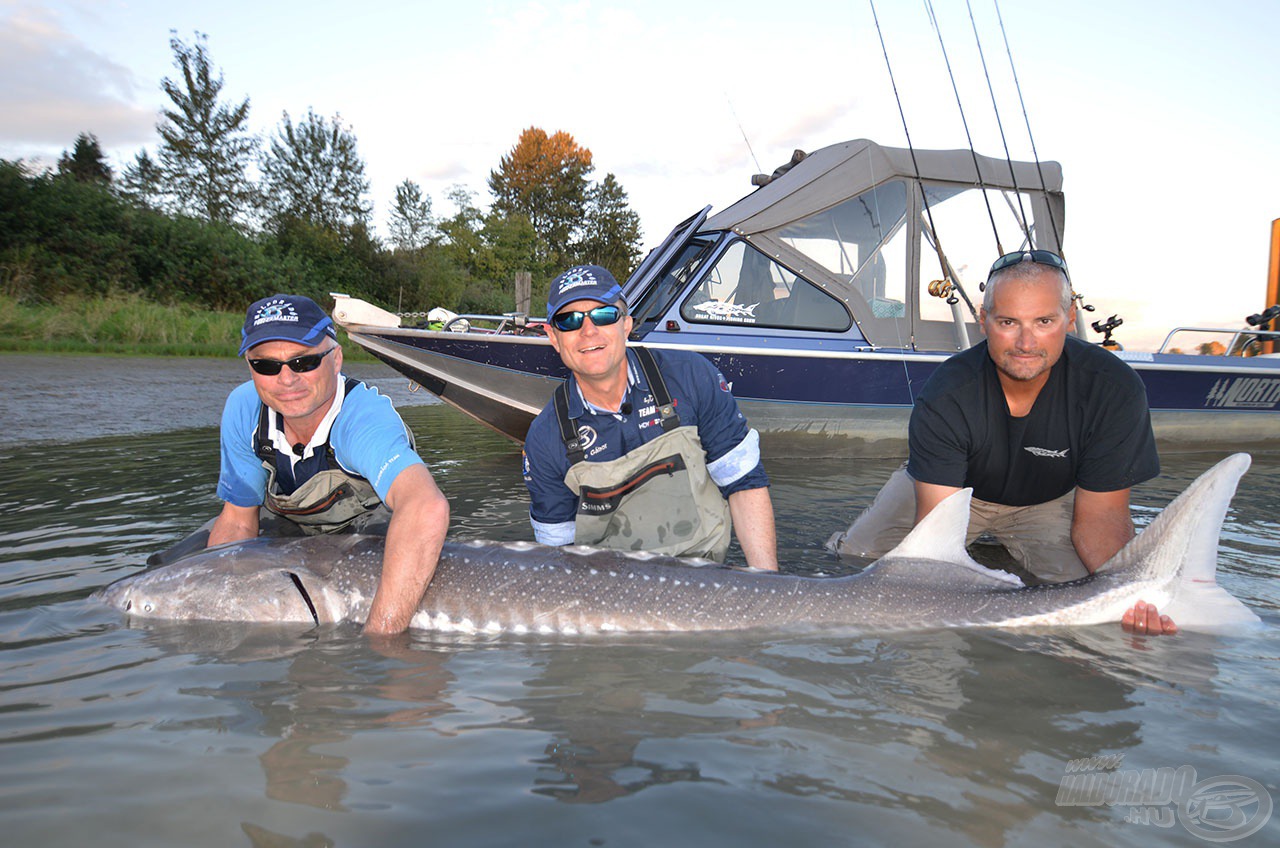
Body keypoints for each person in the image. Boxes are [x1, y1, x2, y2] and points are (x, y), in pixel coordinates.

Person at [828, 251, 1176, 635]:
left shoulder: (1112, 388)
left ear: (1069, 319)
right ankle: (984, 557)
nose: (1026, 343)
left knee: (1088, 600)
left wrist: (1134, 595)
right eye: (1008, 322)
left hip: (1048, 500)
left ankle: (997, 557)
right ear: (984, 320)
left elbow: (1101, 517)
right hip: (955, 494)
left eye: (1044, 321)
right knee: (857, 561)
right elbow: (935, 536)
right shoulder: (948, 391)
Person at [208, 293, 450, 635]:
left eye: (303, 362)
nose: (286, 379)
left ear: (336, 359)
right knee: (176, 566)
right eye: (266, 365)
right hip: (293, 537)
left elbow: (425, 509)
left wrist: (381, 638)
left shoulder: (363, 419)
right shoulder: (243, 408)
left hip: (370, 539)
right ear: (250, 365)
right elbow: (237, 521)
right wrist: (214, 601)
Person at [522, 265, 779, 570]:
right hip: (609, 588)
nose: (588, 331)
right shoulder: (544, 438)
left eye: (604, 315)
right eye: (570, 320)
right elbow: (557, 557)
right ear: (553, 337)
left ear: (627, 324)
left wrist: (767, 582)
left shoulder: (692, 376)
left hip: (707, 574)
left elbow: (744, 483)